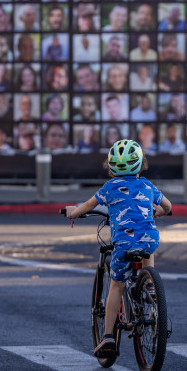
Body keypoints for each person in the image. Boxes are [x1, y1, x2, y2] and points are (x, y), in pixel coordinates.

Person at [66, 139, 172, 357]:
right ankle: (149, 282)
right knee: (147, 238)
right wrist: (156, 213)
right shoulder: (147, 186)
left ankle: (107, 337)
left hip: (123, 244)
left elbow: (87, 205)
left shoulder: (109, 188)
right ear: (140, 163)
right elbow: (168, 207)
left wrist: (73, 213)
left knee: (116, 286)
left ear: (110, 165)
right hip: (148, 240)